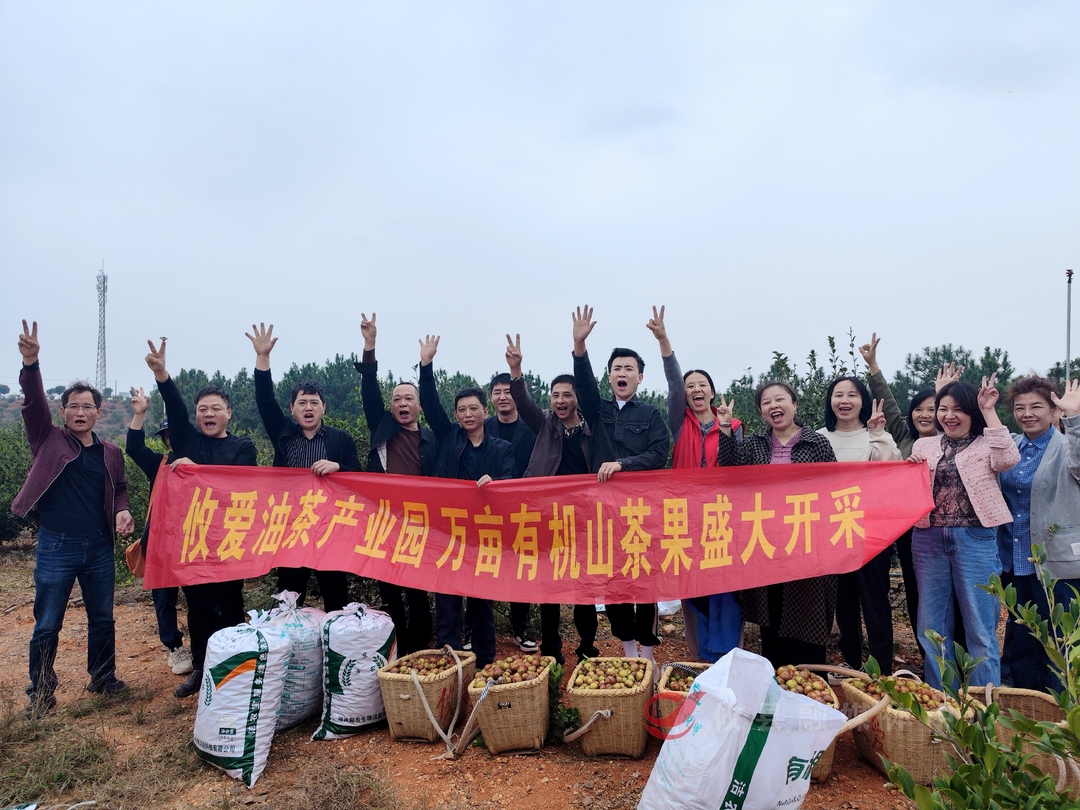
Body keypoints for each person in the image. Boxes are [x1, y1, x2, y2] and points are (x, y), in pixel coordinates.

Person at [13, 320, 134, 717]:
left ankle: (103, 678)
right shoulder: (47, 438)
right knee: (48, 623)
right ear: (62, 411)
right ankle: (41, 693)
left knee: (102, 618)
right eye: (73, 406)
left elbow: (119, 488)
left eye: (88, 407)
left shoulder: (111, 452)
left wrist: (122, 510)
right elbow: (32, 404)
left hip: (98, 545)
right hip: (56, 545)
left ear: (99, 412)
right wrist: (31, 364)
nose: (81, 412)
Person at [146, 338, 258, 698]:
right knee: (197, 608)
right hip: (192, 540)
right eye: (202, 409)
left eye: (216, 408)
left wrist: (197, 471)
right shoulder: (187, 441)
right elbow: (175, 409)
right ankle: (201, 668)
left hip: (227, 541)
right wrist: (163, 376)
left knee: (230, 606)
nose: (209, 414)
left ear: (229, 413)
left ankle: (235, 669)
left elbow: (238, 488)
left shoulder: (243, 448)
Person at [860, 334, 967, 665]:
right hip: (913, 531)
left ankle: (960, 658)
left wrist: (949, 391)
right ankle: (931, 659)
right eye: (918, 409)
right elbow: (888, 403)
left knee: (956, 597)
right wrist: (874, 367)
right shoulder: (905, 439)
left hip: (952, 530)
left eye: (932, 408)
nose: (924, 414)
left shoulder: (955, 441)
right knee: (919, 594)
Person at [908, 376, 1020, 689]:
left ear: (972, 412)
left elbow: (1008, 459)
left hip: (975, 540)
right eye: (943, 409)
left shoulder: (987, 444)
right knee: (932, 627)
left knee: (980, 628)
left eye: (958, 409)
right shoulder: (924, 445)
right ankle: (943, 702)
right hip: (928, 539)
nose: (949, 415)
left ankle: (985, 706)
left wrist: (989, 410)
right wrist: (911, 465)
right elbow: (912, 488)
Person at [572, 305, 670, 665]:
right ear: (609, 376)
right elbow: (583, 384)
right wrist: (579, 346)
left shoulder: (650, 415)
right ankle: (629, 654)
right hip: (604, 512)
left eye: (629, 368)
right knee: (614, 582)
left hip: (641, 511)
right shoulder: (598, 410)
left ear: (640, 377)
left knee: (644, 582)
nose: (622, 373)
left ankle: (648, 656)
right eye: (617, 369)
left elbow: (659, 453)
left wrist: (623, 465)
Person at [716, 381, 838, 667]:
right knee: (771, 613)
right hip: (767, 542)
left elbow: (833, 488)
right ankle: (775, 680)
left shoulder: (816, 443)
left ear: (794, 404)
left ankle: (809, 679)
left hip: (806, 543)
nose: (773, 406)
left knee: (806, 613)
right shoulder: (755, 444)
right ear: (761, 411)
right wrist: (725, 428)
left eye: (779, 399)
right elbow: (731, 472)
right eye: (766, 402)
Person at [646, 305, 741, 663]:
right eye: (690, 386)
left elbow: (738, 469)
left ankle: (728, 655)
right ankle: (700, 658)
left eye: (702, 385)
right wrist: (664, 341)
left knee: (725, 585)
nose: (695, 389)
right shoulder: (678, 421)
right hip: (684, 519)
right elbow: (673, 382)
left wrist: (727, 428)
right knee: (693, 586)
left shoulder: (734, 426)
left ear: (713, 393)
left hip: (721, 519)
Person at [247, 323, 361, 611]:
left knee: (335, 596)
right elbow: (264, 400)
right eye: (302, 403)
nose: (308, 407)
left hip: (329, 527)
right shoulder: (283, 433)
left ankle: (334, 638)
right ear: (292, 409)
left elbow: (360, 478)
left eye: (314, 402)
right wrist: (263, 358)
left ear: (324, 408)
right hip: (291, 526)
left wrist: (338, 466)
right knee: (289, 597)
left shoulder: (341, 439)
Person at [418, 333, 515, 669]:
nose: (468, 414)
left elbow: (513, 480)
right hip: (449, 532)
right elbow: (429, 403)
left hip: (484, 535)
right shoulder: (449, 437)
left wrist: (497, 484)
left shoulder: (501, 448)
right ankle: (452, 663)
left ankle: (485, 663)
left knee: (481, 603)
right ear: (456, 415)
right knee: (447, 600)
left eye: (474, 408)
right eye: (462, 410)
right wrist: (426, 365)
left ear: (485, 411)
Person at [505, 332, 600, 665]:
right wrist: (516, 371)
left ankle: (587, 648)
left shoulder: (592, 429)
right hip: (548, 517)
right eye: (555, 394)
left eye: (567, 395)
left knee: (584, 588)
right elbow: (523, 402)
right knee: (550, 586)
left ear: (577, 399)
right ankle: (552, 650)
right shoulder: (544, 422)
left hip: (585, 518)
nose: (560, 400)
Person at [355, 312, 435, 655]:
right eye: (397, 399)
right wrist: (369, 346)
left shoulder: (431, 440)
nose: (402, 403)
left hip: (418, 523)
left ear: (419, 405)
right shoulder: (383, 429)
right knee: (388, 590)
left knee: (417, 590)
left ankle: (419, 647)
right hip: (384, 522)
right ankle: (396, 645)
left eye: (408, 399)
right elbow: (369, 391)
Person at [997, 376, 1080, 690]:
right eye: (1020, 407)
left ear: (1054, 410)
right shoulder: (1012, 446)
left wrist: (1075, 419)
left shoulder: (1066, 446)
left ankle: (1062, 702)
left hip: (1054, 560)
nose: (1027, 413)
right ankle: (1027, 699)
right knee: (1022, 633)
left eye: (1036, 406)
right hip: (1014, 557)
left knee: (1060, 635)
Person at [817, 376, 902, 674]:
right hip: (833, 534)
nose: (845, 400)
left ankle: (881, 668)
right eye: (838, 394)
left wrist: (878, 433)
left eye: (852, 394)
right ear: (830, 401)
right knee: (844, 603)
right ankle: (851, 662)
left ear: (863, 401)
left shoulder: (875, 435)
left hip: (871, 534)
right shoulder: (819, 438)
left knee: (875, 601)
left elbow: (892, 468)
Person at [126, 386, 192, 676]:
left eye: (175, 432)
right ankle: (175, 647)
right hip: (161, 544)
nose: (171, 438)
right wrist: (139, 415)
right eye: (167, 434)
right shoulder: (159, 464)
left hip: (194, 542)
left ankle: (205, 644)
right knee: (164, 600)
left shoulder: (202, 462)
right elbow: (134, 449)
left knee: (202, 597)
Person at [485, 372, 538, 652]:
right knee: (483, 567)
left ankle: (521, 628)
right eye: (497, 392)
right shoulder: (482, 427)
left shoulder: (533, 427)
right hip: (487, 510)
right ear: (490, 398)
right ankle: (478, 628)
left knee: (521, 568)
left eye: (508, 391)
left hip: (523, 509)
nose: (503, 396)